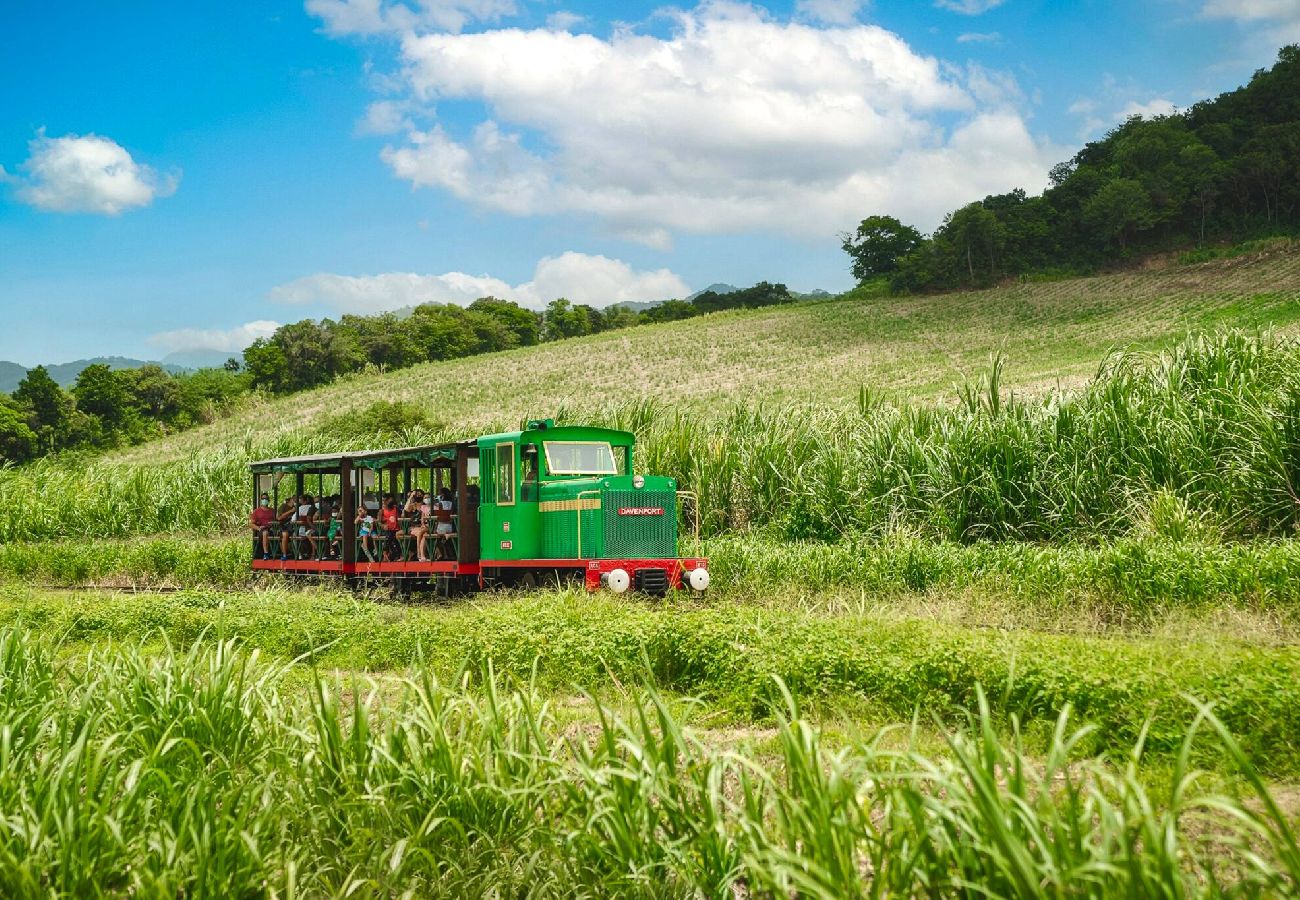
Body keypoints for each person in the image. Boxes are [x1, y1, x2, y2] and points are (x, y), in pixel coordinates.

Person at [432, 488, 456, 561]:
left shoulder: (438, 504)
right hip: (450, 527)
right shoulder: (453, 503)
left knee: (431, 535)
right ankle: (448, 553)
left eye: (439, 494)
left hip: (441, 527)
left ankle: (440, 554)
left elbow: (433, 514)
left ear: (442, 495)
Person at [249, 494, 275, 559]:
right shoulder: (257, 511)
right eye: (263, 499)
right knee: (265, 533)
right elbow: (251, 524)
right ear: (261, 500)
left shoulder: (272, 511)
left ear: (268, 500)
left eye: (266, 499)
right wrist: (259, 528)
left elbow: (277, 520)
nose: (264, 500)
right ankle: (265, 553)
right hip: (261, 530)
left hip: (271, 529)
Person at [380, 497, 401, 562]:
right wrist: (383, 526)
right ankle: (385, 553)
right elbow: (379, 521)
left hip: (396, 529)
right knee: (389, 537)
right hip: (387, 530)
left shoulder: (396, 509)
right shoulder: (382, 511)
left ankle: (393, 554)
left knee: (394, 539)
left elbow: (401, 517)